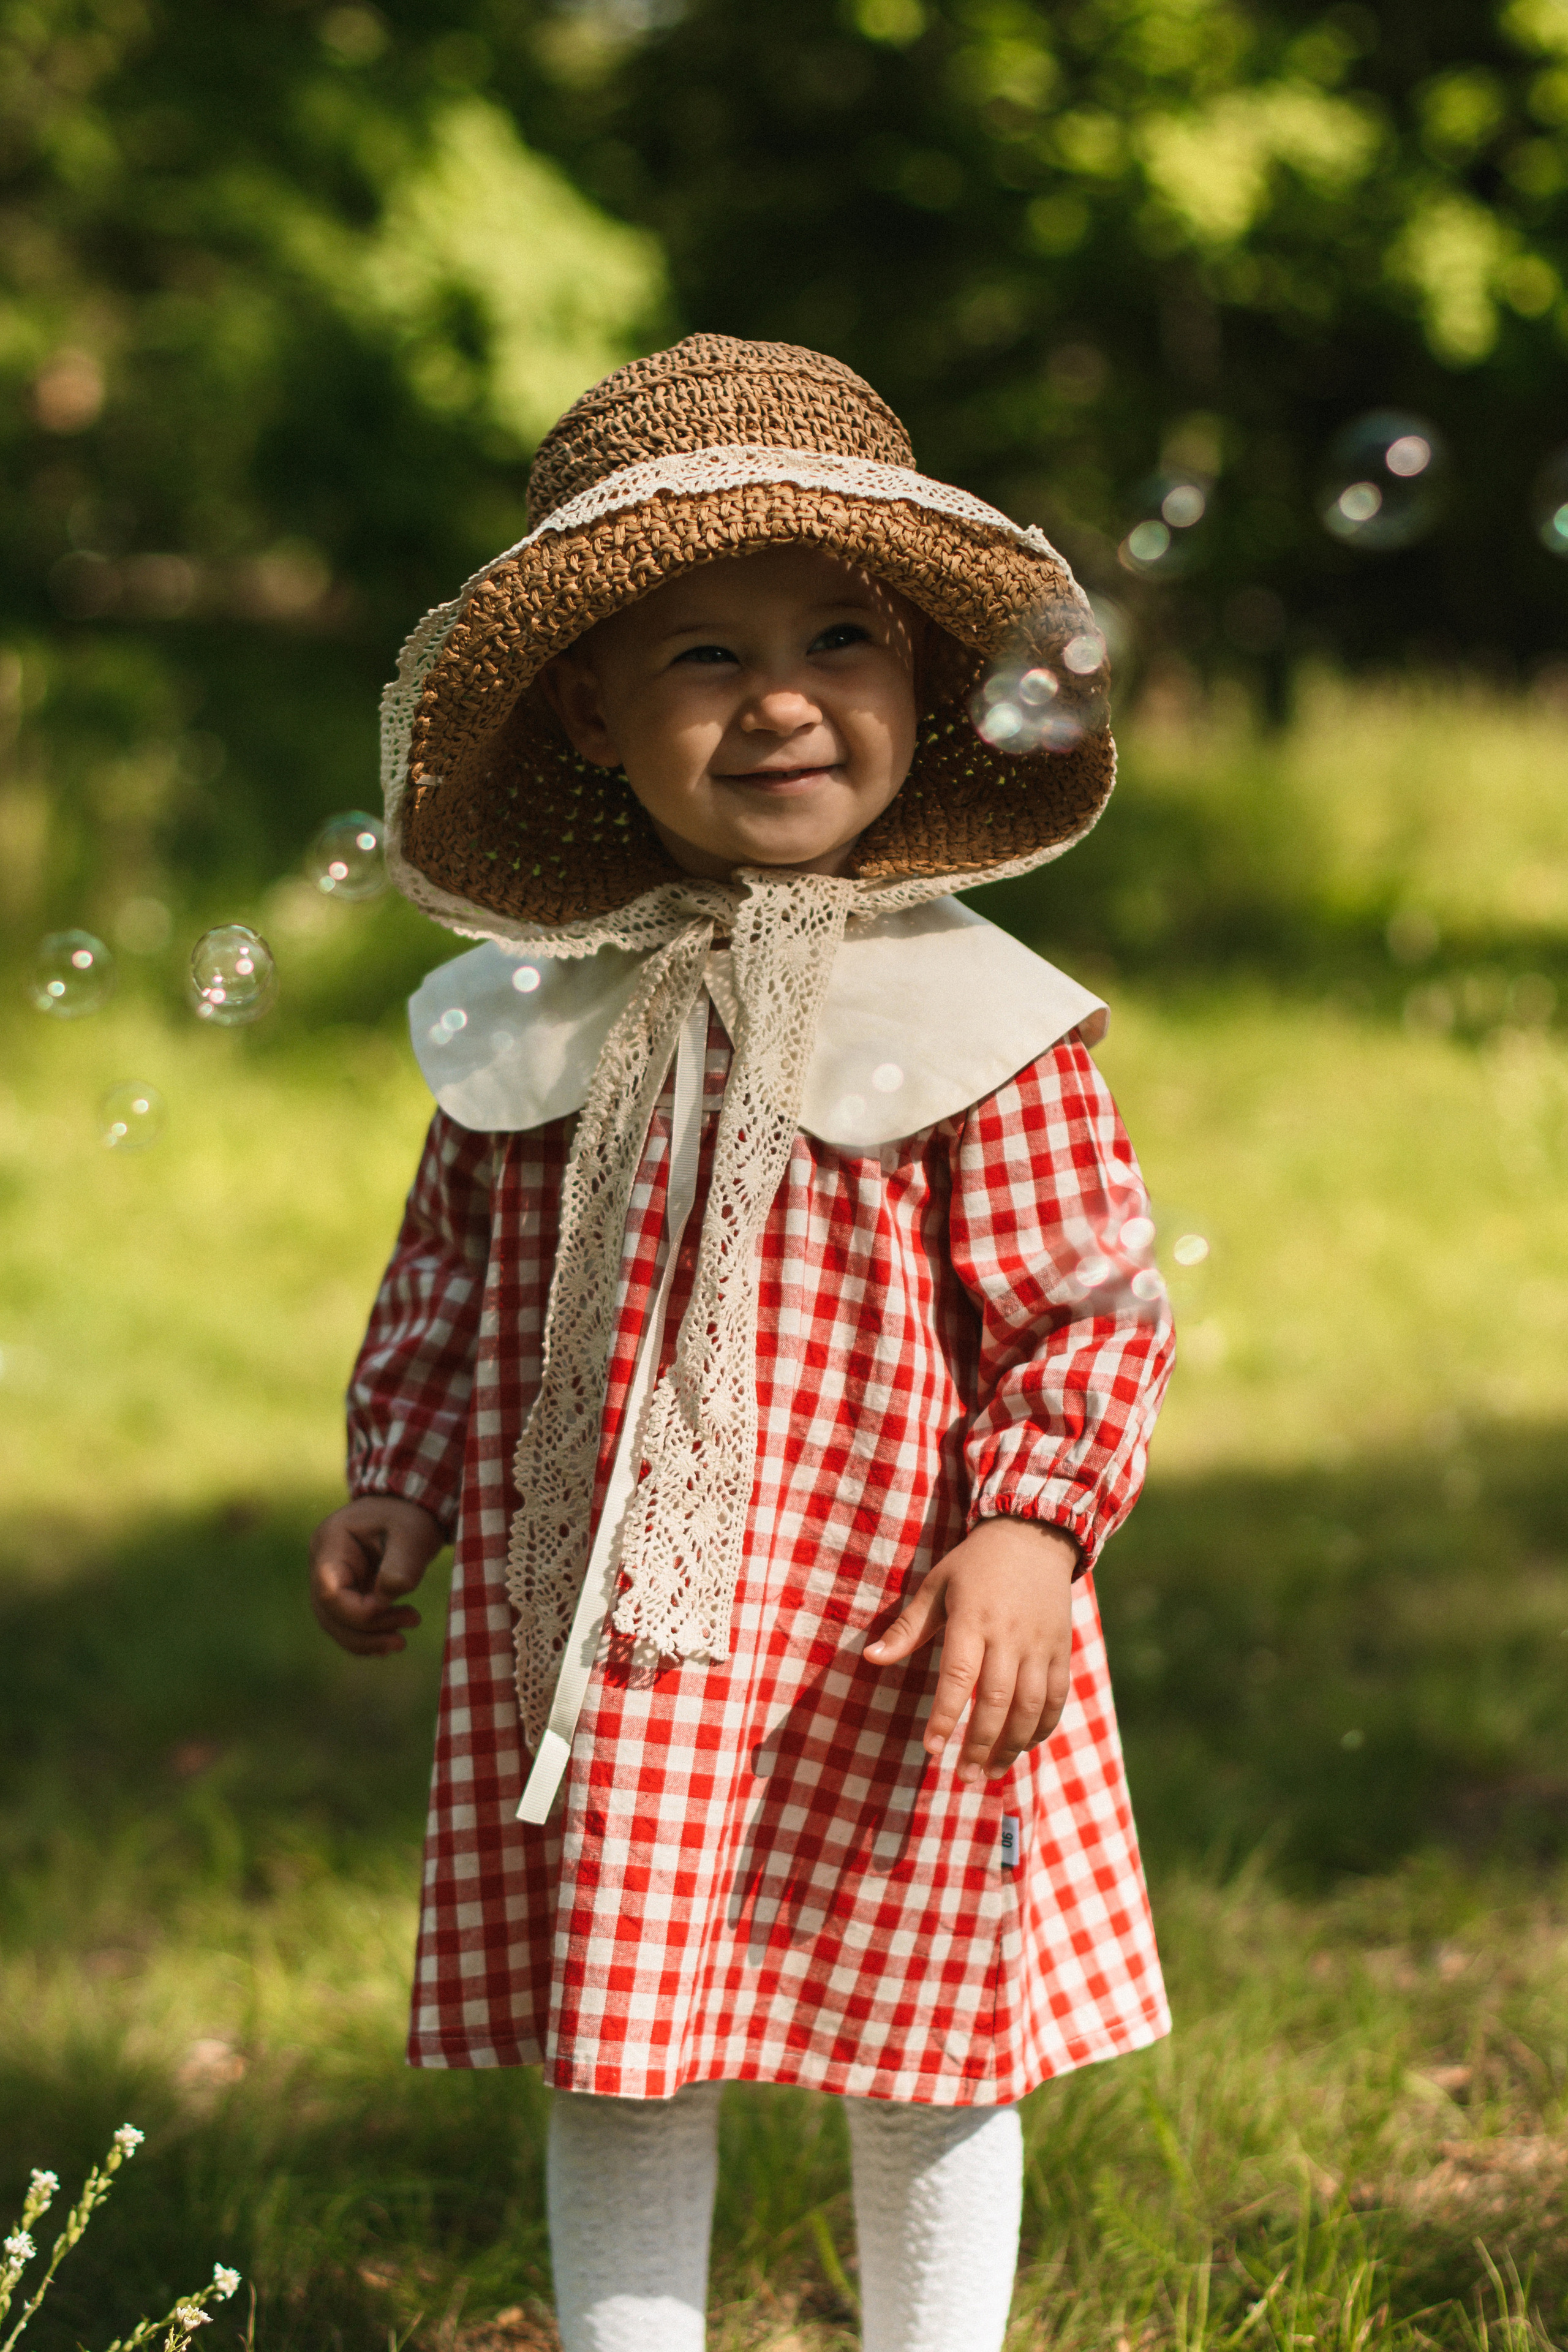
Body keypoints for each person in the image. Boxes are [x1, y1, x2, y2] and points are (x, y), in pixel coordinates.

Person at [309, 335, 1174, 2352]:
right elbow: (451, 1272)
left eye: (839, 637)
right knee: (622, 2032)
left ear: (921, 687)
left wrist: (1035, 1534)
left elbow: (1093, 1308)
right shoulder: (539, 1020)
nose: (782, 700)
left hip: (904, 1611)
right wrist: (398, 1475)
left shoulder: (984, 1021)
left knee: (933, 2029)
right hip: (621, 1622)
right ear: (596, 718)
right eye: (701, 657)